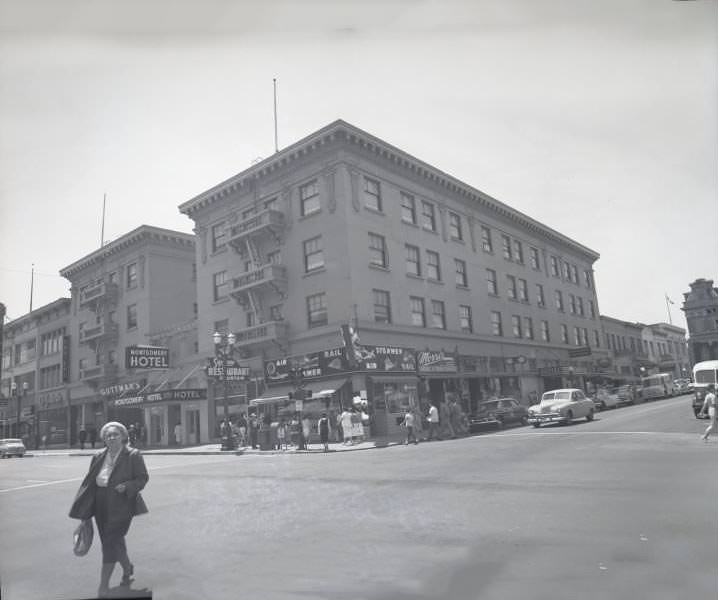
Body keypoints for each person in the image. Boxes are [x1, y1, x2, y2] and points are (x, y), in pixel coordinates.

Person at [69, 422, 149, 598]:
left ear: (123, 436)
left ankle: (103, 586)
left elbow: (142, 478)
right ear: (104, 439)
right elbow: (90, 484)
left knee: (109, 543)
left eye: (115, 435)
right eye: (108, 435)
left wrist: (128, 486)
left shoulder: (132, 455)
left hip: (122, 504)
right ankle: (127, 568)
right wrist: (85, 513)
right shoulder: (98, 455)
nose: (111, 438)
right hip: (100, 504)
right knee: (114, 540)